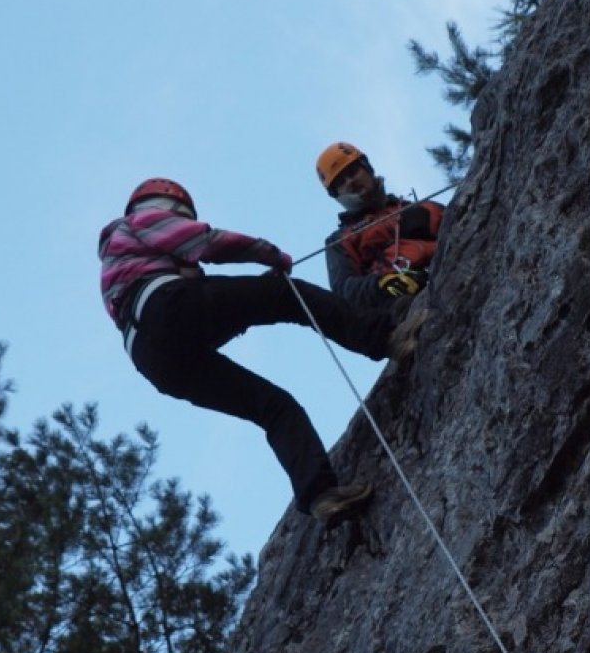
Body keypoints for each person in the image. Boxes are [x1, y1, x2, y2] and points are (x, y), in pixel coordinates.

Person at [98, 178, 422, 531]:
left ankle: (320, 494)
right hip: (166, 305)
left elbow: (193, 308)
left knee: (273, 407)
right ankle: (387, 338)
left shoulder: (122, 264)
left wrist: (247, 303)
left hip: (153, 358)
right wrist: (269, 254)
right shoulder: (137, 223)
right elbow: (205, 243)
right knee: (287, 295)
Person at [316, 142, 445, 313]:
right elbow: (344, 289)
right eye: (341, 182)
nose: (350, 182)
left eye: (353, 172)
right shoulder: (341, 241)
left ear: (368, 168)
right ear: (336, 194)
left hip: (446, 268)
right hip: (394, 306)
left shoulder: (424, 208)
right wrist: (380, 284)